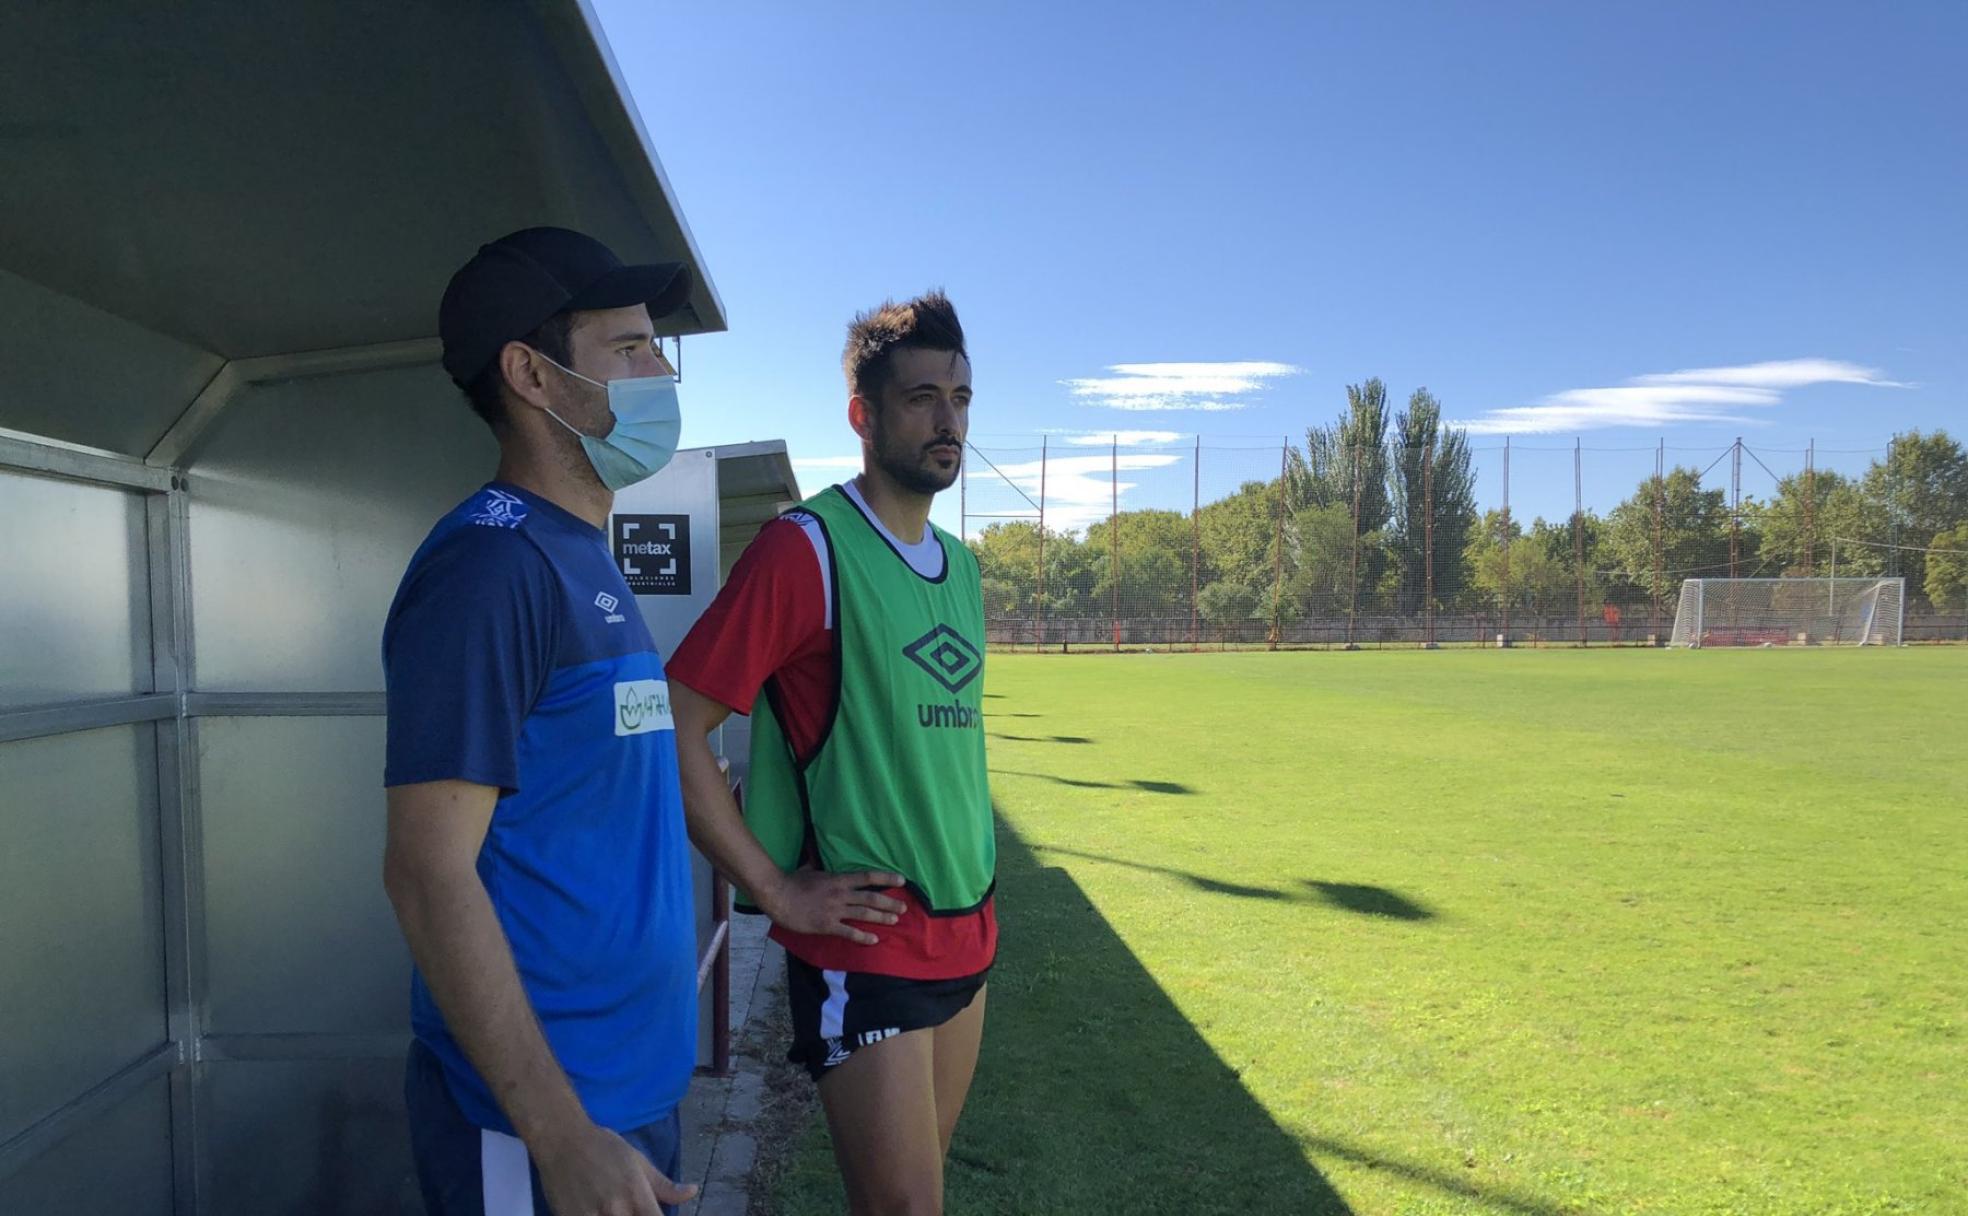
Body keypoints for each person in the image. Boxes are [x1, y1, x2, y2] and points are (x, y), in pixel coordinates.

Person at [381, 226, 701, 1216]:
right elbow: (427, 871)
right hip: (545, 1128)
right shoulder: (490, 568)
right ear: (530, 372)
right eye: (631, 347)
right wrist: (559, 1136)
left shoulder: (577, 550)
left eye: (660, 347)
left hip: (626, 1098)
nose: (661, 372)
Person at [668, 291, 995, 1215]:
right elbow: (675, 726)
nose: (948, 420)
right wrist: (772, 889)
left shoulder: (963, 568)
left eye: (962, 399)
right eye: (922, 397)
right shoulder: (802, 548)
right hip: (869, 944)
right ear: (864, 414)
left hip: (969, 929)